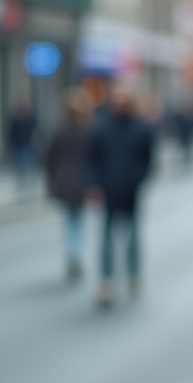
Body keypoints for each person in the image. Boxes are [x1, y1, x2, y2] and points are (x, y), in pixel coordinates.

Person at [85, 85, 154, 307]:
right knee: (106, 238)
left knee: (133, 237)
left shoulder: (141, 129)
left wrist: (138, 180)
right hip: (108, 191)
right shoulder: (102, 127)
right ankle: (106, 281)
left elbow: (148, 161)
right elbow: (91, 158)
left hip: (131, 192)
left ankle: (133, 275)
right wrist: (94, 185)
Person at [44, 90, 92, 282]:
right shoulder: (89, 131)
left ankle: (72, 252)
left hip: (64, 181)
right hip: (82, 181)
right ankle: (75, 252)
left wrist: (51, 182)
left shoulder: (59, 130)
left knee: (70, 219)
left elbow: (48, 159)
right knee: (78, 219)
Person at [7, 97, 37, 194]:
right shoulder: (16, 117)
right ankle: (22, 183)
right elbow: (11, 132)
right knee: (20, 165)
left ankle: (28, 183)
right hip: (19, 144)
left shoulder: (30, 116)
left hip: (28, 144)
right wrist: (11, 144)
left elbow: (35, 129)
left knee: (27, 164)